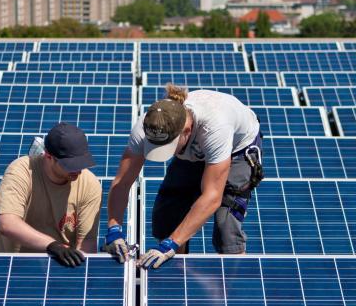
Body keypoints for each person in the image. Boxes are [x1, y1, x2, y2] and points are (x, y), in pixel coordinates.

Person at [104, 83, 264, 269]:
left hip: (237, 150)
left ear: (186, 132)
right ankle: (178, 278)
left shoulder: (215, 129)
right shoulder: (147, 127)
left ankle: (235, 281)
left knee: (226, 231)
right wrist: (114, 228)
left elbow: (212, 197)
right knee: (167, 219)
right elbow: (122, 182)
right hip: (195, 148)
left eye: (168, 147)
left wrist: (172, 244)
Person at [0, 122, 102, 267]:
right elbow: (8, 224)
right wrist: (52, 245)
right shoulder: (21, 171)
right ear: (48, 156)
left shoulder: (90, 185)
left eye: (81, 163)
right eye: (70, 165)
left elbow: (87, 241)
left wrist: (82, 271)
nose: (78, 170)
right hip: (11, 265)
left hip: (58, 266)